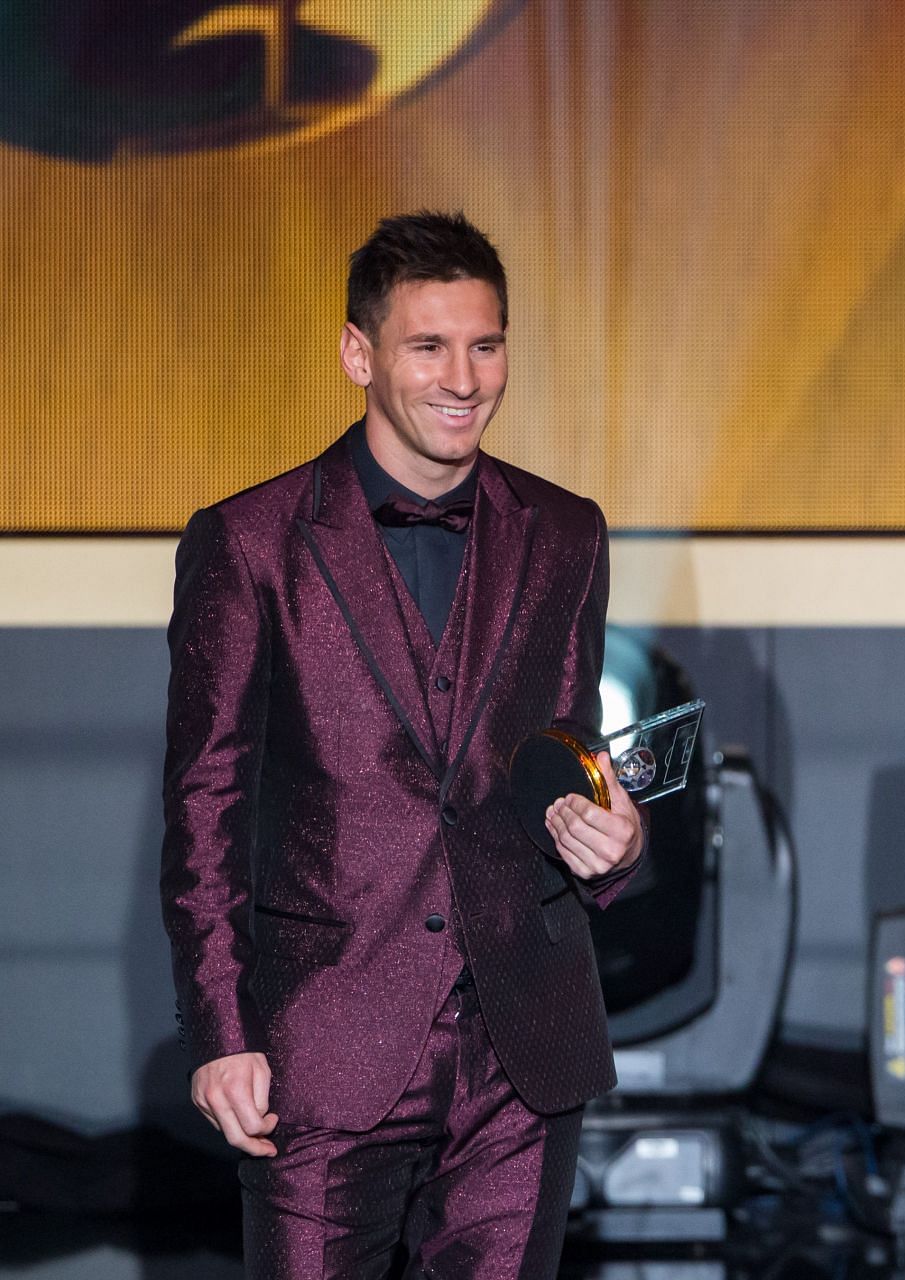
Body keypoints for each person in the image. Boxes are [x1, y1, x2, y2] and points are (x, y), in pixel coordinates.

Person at [161, 210, 648, 1277]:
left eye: (486, 344)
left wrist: (613, 841)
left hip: (523, 1042)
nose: (463, 376)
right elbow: (206, 804)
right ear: (357, 354)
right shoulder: (251, 542)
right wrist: (220, 1027)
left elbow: (568, 758)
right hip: (323, 1041)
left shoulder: (568, 532)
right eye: (429, 345)